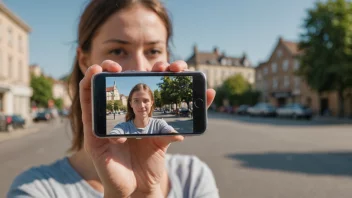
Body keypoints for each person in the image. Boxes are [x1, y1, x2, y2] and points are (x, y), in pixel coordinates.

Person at [7, 0, 219, 198]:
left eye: (153, 50)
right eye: (118, 50)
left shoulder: (193, 177)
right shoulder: (34, 189)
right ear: (84, 60)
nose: (139, 66)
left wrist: (148, 191)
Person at [109, 83, 176, 135]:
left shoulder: (159, 124)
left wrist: (174, 134)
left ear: (151, 103)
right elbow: (115, 133)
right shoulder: (122, 127)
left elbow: (171, 132)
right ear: (131, 104)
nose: (141, 106)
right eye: (136, 101)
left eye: (146, 100)